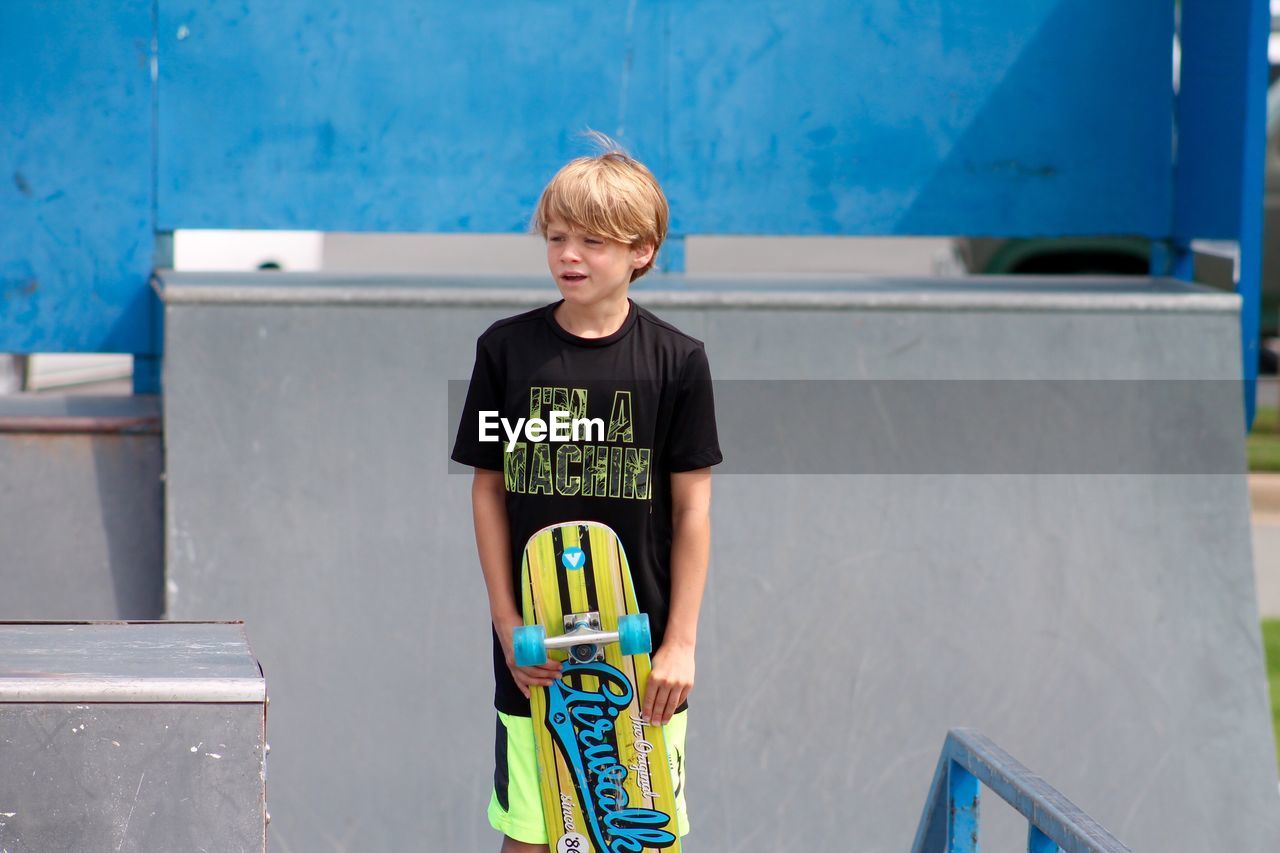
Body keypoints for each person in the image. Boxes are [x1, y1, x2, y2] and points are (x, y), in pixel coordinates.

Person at [451, 133, 721, 853]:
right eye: (558, 236)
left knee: (638, 833)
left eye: (594, 241)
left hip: (643, 659)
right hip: (533, 652)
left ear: (643, 251)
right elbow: (486, 490)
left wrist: (682, 644)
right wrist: (506, 622)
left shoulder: (679, 362)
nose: (569, 254)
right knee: (534, 835)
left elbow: (693, 511)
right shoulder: (505, 352)